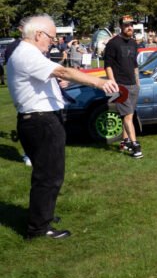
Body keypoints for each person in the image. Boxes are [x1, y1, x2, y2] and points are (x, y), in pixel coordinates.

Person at [8, 14, 118, 239]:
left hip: (39, 120)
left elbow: (53, 77)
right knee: (49, 176)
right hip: (41, 121)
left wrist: (59, 82)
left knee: (46, 174)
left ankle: (42, 216)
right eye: (51, 36)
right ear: (38, 34)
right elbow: (63, 70)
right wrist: (99, 82)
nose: (54, 41)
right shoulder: (27, 54)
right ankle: (38, 228)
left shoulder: (26, 53)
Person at [104, 15, 143, 158]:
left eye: (131, 25)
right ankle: (135, 146)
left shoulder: (133, 43)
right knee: (127, 116)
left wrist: (137, 82)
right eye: (126, 25)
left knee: (128, 115)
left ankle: (125, 141)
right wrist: (113, 83)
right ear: (121, 26)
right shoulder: (113, 43)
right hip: (120, 85)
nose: (130, 27)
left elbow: (134, 64)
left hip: (133, 84)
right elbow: (107, 65)